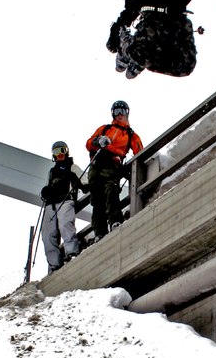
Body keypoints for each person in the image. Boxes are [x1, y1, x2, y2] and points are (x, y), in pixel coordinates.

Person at [85, 100, 143, 240]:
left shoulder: (130, 135)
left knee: (111, 191)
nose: (119, 115)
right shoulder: (104, 129)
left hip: (112, 165)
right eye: (116, 111)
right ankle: (100, 232)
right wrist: (98, 141)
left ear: (127, 113)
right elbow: (88, 144)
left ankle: (115, 221)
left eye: (122, 111)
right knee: (97, 200)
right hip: (97, 164)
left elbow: (140, 152)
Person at [40, 141, 88, 274]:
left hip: (66, 201)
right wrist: (45, 192)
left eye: (62, 150)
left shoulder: (72, 167)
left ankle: (72, 252)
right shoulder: (52, 171)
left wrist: (85, 186)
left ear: (67, 151)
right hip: (51, 205)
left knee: (65, 225)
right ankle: (54, 264)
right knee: (47, 234)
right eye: (56, 152)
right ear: (53, 155)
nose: (60, 154)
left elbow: (85, 181)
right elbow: (45, 187)